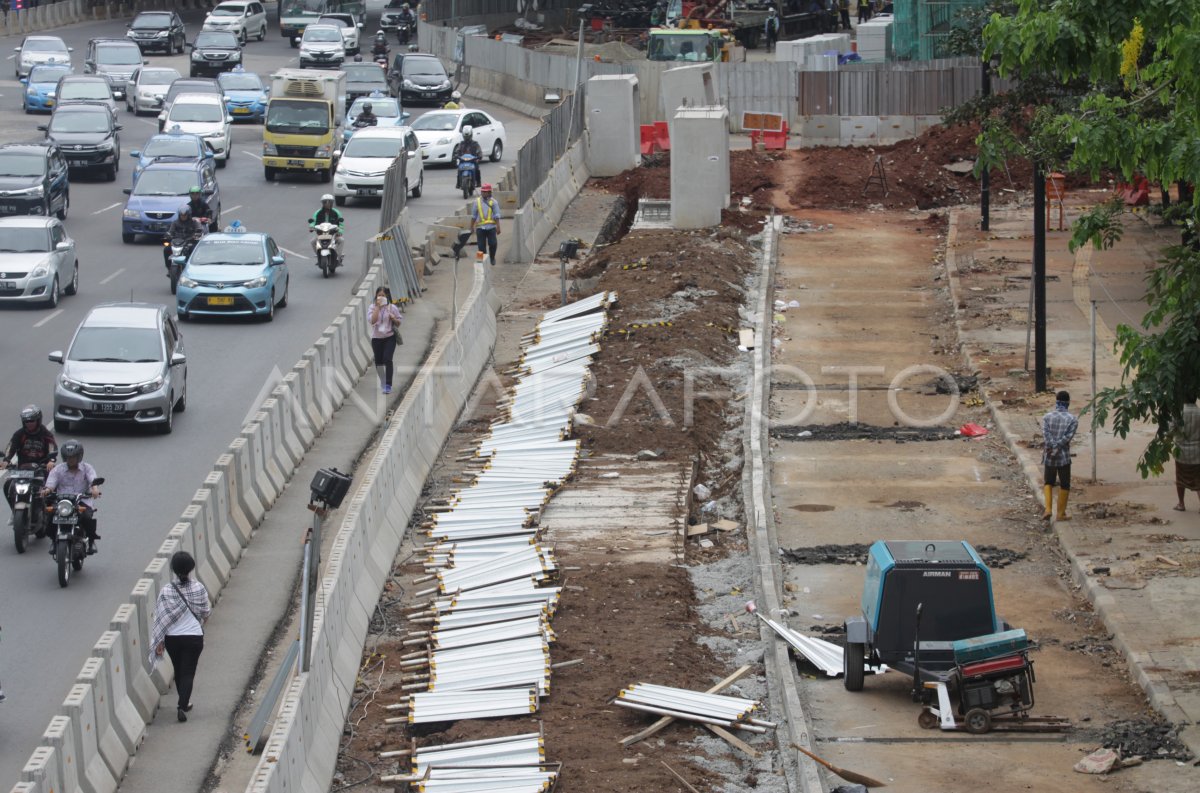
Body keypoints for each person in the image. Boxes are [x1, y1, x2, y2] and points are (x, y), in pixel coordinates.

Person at [150, 551, 211, 723]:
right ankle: (182, 705)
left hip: (173, 638)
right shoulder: (198, 588)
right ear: (191, 568)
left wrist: (159, 641)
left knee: (178, 670)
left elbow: (160, 617)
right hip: (193, 637)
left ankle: (184, 702)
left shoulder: (167, 591)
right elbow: (206, 612)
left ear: (174, 569)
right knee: (188, 671)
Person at [42, 440, 101, 553]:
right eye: (68, 457)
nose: (71, 459)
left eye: (73, 457)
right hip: (62, 502)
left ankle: (91, 541)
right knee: (49, 516)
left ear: (79, 456)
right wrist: (47, 490)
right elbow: (50, 484)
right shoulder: (57, 469)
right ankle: (54, 541)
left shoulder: (87, 468)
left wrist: (95, 490)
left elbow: (93, 480)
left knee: (87, 517)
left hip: (81, 500)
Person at [2, 405, 57, 508]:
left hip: (41, 468)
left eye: (32, 421)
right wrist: (6, 460)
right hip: (23, 469)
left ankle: (49, 511)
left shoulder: (45, 434)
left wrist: (51, 460)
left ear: (38, 420)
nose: (29, 424)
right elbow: (11, 447)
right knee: (8, 485)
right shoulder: (19, 434)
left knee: (53, 485)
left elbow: (52, 446)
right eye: (27, 421)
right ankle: (14, 510)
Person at [1041, 390, 1078, 521]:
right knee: (1065, 484)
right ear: (1068, 402)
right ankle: (1061, 514)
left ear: (1056, 401)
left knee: (1048, 482)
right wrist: (1058, 447)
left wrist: (1052, 447)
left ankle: (1048, 509)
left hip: (1049, 455)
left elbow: (1046, 436)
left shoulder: (1046, 417)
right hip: (1063, 457)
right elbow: (1068, 437)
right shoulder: (1072, 419)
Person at [367, 286, 403, 395]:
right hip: (376, 339)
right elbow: (372, 321)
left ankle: (388, 384)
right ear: (376, 296)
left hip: (389, 338)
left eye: (383, 295)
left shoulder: (392, 308)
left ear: (387, 296)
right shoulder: (372, 307)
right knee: (379, 362)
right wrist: (378, 307)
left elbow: (399, 323)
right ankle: (383, 382)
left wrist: (394, 318)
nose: (381, 297)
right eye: (379, 295)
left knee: (387, 359)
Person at [1174, 401, 1200, 511]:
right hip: (1197, 452)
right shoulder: (1199, 412)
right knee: (1198, 479)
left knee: (1180, 478)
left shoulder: (1178, 413)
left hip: (1181, 452)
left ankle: (1181, 503)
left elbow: (1171, 429)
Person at [470, 183, 501, 266]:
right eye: (483, 191)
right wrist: (471, 227)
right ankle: (481, 262)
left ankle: (492, 257)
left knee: (493, 243)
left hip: (491, 227)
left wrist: (498, 227)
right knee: (481, 246)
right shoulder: (477, 202)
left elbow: (497, 215)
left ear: (490, 192)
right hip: (480, 228)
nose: (484, 193)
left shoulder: (494, 202)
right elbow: (473, 216)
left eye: (486, 192)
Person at [308, 194, 344, 260]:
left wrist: (340, 231)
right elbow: (313, 221)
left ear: (332, 203)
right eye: (325, 202)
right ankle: (319, 256)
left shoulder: (336, 212)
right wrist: (311, 227)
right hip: (321, 234)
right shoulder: (317, 212)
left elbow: (341, 223)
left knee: (341, 240)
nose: (328, 204)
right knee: (312, 242)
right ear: (322, 203)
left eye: (330, 202)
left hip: (333, 234)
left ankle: (339, 256)